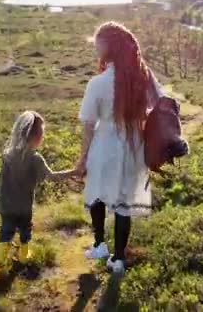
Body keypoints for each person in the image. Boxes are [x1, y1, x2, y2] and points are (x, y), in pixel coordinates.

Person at [76, 21, 164, 273]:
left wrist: (82, 159)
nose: (95, 48)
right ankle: (118, 258)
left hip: (104, 147)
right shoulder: (142, 76)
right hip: (133, 148)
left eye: (98, 44)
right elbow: (159, 104)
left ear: (108, 47)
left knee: (97, 194)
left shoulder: (98, 83)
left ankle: (100, 244)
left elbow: (88, 126)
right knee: (124, 202)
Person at [0, 111, 77, 265]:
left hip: (6, 204)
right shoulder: (35, 158)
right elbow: (52, 176)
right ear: (36, 136)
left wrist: (0, 201)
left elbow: (2, 182)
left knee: (6, 230)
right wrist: (73, 172)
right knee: (25, 230)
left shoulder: (7, 155)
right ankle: (24, 256)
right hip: (24, 207)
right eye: (42, 133)